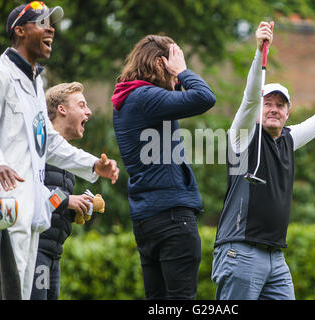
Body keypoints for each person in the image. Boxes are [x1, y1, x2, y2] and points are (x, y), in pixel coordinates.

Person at [0, 2, 119, 300]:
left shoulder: (36, 85)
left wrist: (93, 166)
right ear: (20, 31)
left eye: (51, 23)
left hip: (27, 213)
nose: (50, 28)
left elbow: (48, 142)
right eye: (40, 23)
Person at [211, 21, 315, 300]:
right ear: (260, 110)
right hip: (240, 251)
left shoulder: (289, 138)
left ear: (287, 112)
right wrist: (260, 52)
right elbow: (250, 98)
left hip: (275, 259)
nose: (273, 109)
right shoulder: (242, 135)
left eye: (280, 105)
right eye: (268, 104)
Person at [111, 35, 216, 299]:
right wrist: (182, 72)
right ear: (161, 63)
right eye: (173, 64)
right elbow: (205, 97)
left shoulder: (128, 99)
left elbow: (181, 102)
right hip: (172, 217)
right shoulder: (146, 97)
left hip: (147, 217)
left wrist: (176, 79)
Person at [30, 82, 95, 300]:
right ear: (62, 109)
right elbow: (31, 192)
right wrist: (68, 200)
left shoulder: (70, 159)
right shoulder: (39, 148)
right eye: (82, 105)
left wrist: (78, 208)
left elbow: (54, 201)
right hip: (34, 251)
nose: (89, 111)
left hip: (54, 254)